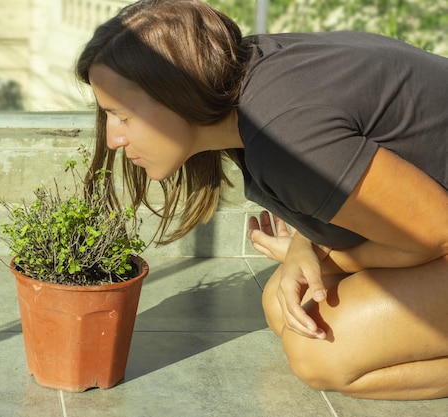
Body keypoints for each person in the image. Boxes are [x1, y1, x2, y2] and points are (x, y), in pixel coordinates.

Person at [75, 0, 448, 400]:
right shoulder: (253, 86)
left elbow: (437, 234)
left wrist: (323, 258)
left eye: (123, 116)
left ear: (175, 94)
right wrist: (306, 244)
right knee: (282, 304)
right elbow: (371, 186)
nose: (113, 138)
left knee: (318, 354)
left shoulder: (284, 136)